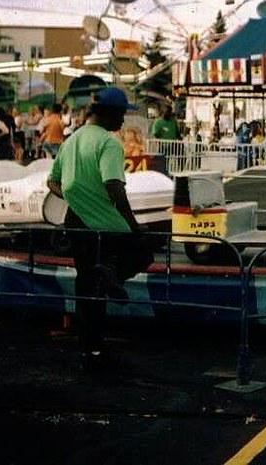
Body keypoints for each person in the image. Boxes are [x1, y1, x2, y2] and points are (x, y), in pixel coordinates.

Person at [46, 87, 153, 372]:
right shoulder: (108, 143)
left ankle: (90, 348)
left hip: (75, 221)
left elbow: (52, 182)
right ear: (105, 112)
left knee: (85, 286)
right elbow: (114, 186)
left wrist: (74, 197)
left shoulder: (71, 140)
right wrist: (133, 226)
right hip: (104, 227)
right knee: (142, 254)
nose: (122, 121)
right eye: (120, 114)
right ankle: (112, 274)